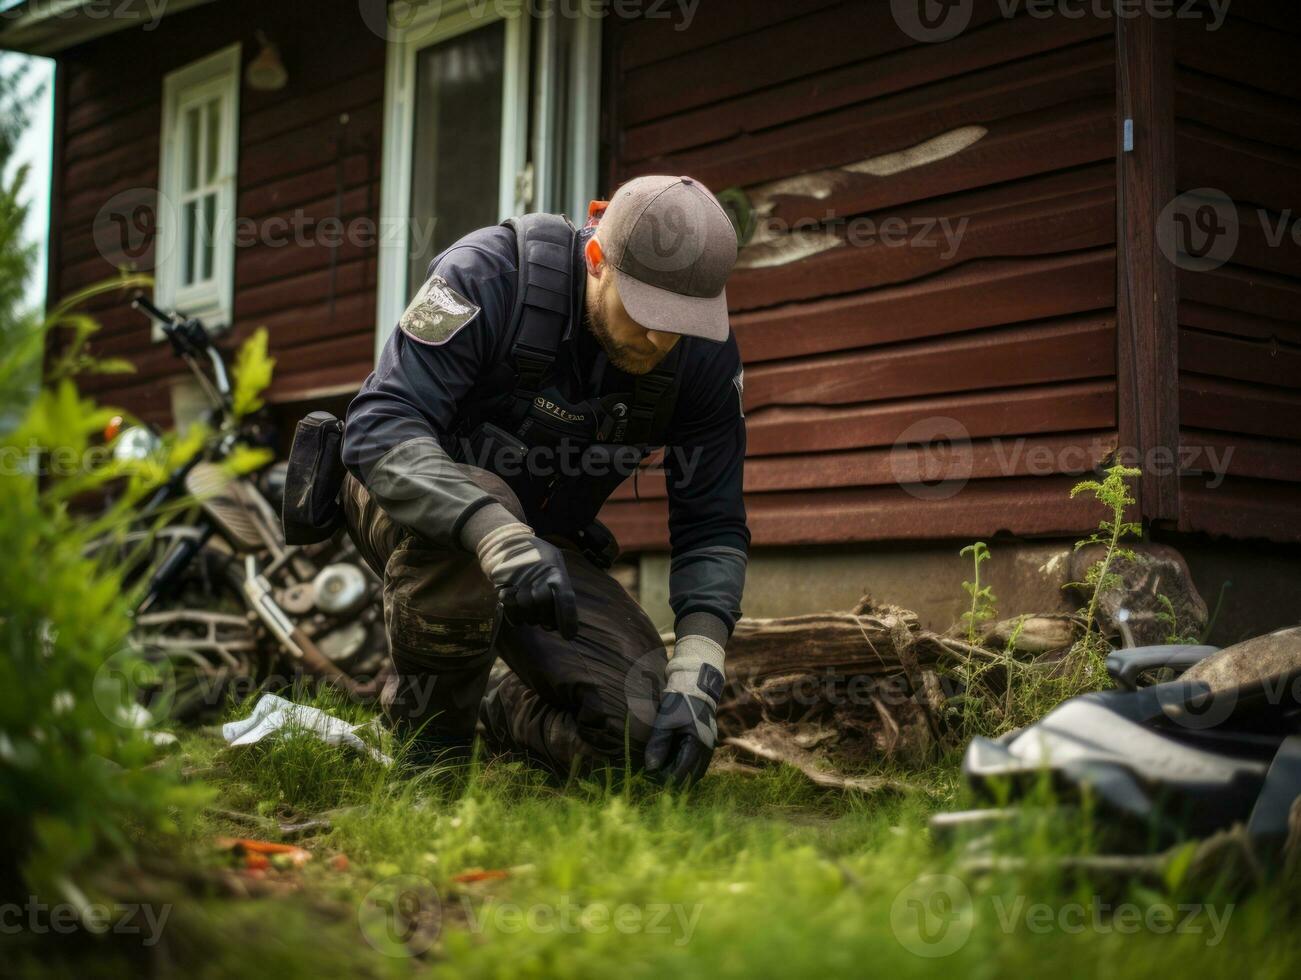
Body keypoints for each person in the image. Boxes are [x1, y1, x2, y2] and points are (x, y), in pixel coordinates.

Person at [341, 175, 748, 784]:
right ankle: (430, 759)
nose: (663, 338)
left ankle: (490, 707)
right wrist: (491, 532)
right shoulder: (484, 274)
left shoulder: (704, 358)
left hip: (543, 550)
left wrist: (699, 666)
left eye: (683, 320)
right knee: (485, 500)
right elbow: (377, 426)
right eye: (648, 312)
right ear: (596, 260)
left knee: (639, 735)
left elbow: (712, 523)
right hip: (417, 509)